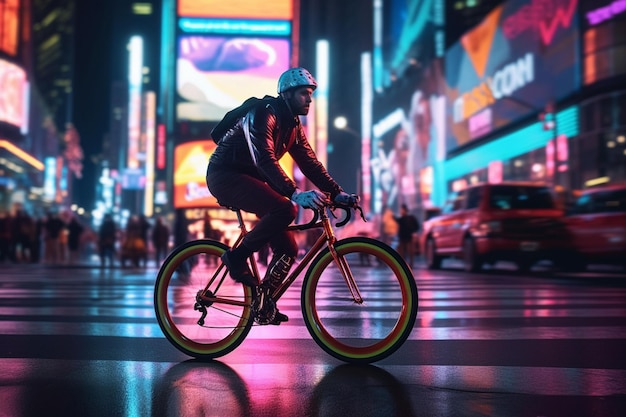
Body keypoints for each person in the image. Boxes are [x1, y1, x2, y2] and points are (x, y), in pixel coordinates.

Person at [206, 67, 357, 325]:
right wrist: (295, 193)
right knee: (285, 209)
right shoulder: (263, 113)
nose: (309, 99)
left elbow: (310, 163)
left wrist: (338, 193)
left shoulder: (293, 125)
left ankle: (263, 302)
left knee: (288, 248)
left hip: (252, 178)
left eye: (311, 94)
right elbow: (263, 157)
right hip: (224, 175)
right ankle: (235, 257)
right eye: (304, 94)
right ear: (286, 94)